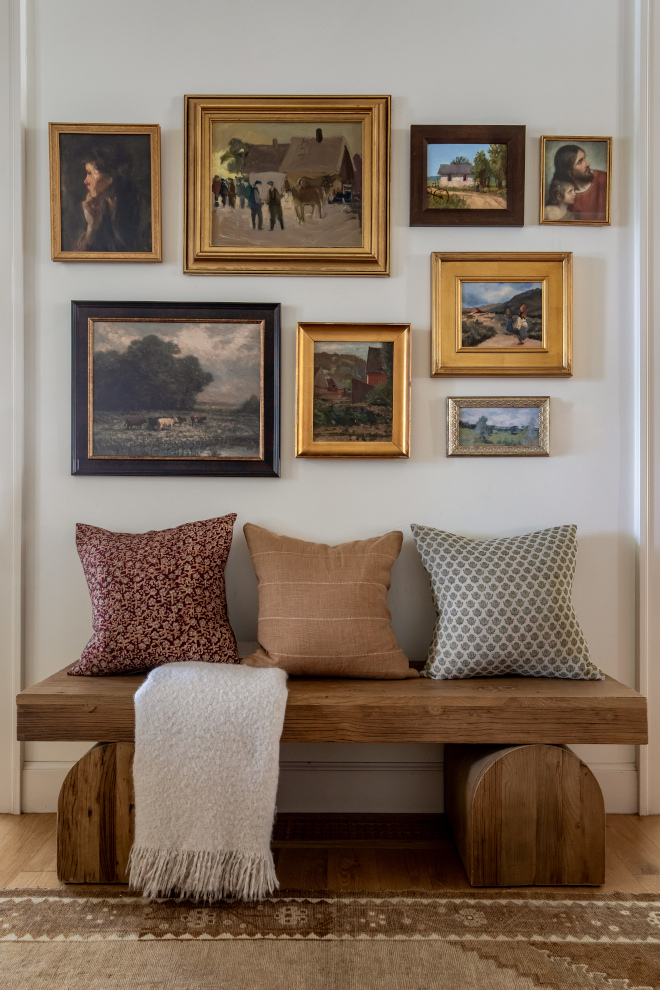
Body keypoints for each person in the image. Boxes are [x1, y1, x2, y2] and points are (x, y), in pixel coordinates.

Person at [75, 143, 142, 252]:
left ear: (110, 176)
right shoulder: (96, 207)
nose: (85, 181)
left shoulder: (135, 205)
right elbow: (76, 256)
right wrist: (91, 226)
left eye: (90, 173)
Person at [549, 144, 608, 221]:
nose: (588, 164)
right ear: (568, 172)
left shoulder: (604, 178)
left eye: (584, 158)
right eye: (580, 162)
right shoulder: (565, 196)